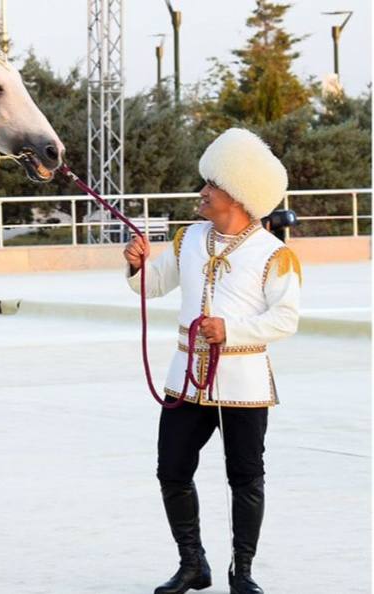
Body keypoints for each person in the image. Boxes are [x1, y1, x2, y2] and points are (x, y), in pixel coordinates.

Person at [123, 128, 301, 594]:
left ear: (238, 196)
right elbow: (150, 288)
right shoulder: (188, 239)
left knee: (245, 477)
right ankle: (192, 564)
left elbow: (286, 320)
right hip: (185, 381)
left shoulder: (274, 254)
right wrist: (138, 266)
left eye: (212, 185)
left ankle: (241, 574)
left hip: (243, 384)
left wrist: (232, 330)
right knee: (172, 471)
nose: (202, 193)